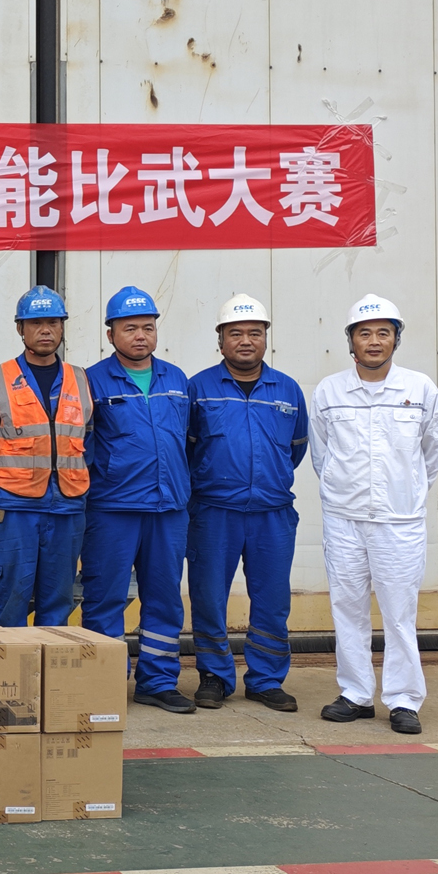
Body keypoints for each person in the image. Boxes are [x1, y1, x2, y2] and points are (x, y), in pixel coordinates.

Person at [312, 294, 438, 735]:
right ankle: (355, 694)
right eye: (364, 333)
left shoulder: (420, 389)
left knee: (399, 614)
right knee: (347, 609)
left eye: (383, 333)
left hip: (399, 523)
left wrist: (405, 492)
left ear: (396, 339)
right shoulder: (329, 391)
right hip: (344, 520)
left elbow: (434, 451)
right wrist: (344, 491)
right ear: (351, 340)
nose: (374, 341)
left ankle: (404, 699)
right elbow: (321, 455)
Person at [186, 294, 307, 713]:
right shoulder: (199, 388)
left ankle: (266, 680)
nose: (245, 341)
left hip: (272, 513)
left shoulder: (288, 389)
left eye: (255, 333)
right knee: (208, 597)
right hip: (213, 512)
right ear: (220, 340)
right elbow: (187, 447)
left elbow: (295, 448)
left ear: (266, 339)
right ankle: (214, 677)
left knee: (272, 600)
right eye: (235, 333)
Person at [80, 287, 195, 714]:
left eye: (148, 327)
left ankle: (158, 681)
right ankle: (104, 682)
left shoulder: (177, 379)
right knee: (105, 597)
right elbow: (82, 445)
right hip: (113, 508)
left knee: (164, 598)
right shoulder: (91, 381)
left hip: (169, 509)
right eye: (129, 328)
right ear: (110, 334)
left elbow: (191, 442)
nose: (140, 335)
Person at [0, 285, 92, 627]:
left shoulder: (80, 379)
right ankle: (10, 663)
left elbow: (88, 441)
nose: (46, 330)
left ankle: (51, 664)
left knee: (58, 602)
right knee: (11, 600)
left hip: (67, 508)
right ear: (20, 328)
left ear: (62, 327)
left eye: (53, 322)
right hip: (13, 510)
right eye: (36, 323)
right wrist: (3, 489)